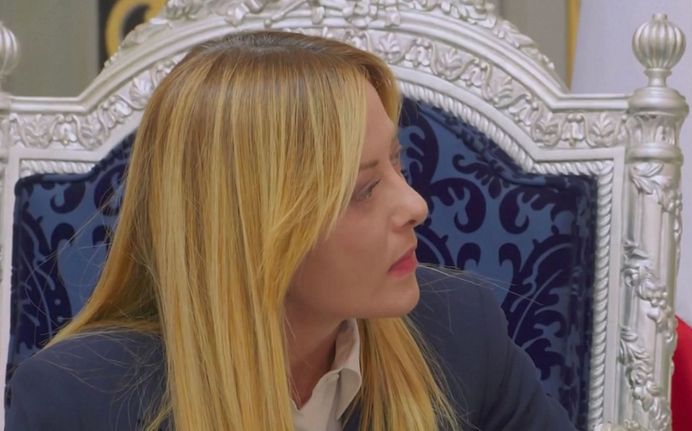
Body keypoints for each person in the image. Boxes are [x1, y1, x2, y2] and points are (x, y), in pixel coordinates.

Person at [5, 32, 575, 431]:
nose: (416, 206)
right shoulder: (78, 400)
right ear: (250, 231)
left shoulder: (461, 330)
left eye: (398, 166)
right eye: (364, 190)